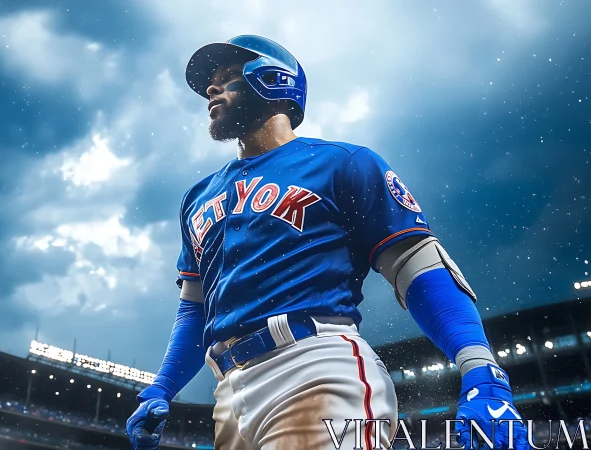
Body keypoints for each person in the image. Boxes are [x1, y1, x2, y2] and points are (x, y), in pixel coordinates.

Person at [126, 35, 528, 450]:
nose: (210, 88)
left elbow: (417, 266)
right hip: (228, 395)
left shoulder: (343, 162)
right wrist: (161, 387)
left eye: (227, 76)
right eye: (211, 81)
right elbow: (195, 308)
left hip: (314, 366)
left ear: (273, 80)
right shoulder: (197, 197)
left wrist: (480, 367)